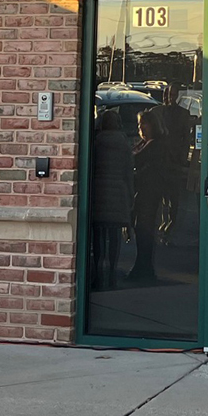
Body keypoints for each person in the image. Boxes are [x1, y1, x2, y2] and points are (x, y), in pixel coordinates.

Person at [90, 110, 134, 290]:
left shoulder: (96, 142)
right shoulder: (124, 143)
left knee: (98, 236)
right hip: (118, 190)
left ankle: (97, 272)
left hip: (99, 190)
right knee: (114, 235)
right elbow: (128, 170)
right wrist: (130, 194)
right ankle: (112, 273)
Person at [128, 108, 169, 282]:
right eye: (139, 124)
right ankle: (142, 266)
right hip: (141, 192)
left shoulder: (155, 145)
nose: (141, 128)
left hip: (150, 192)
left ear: (153, 125)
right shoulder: (142, 143)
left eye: (144, 124)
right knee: (140, 229)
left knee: (145, 229)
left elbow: (136, 160)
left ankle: (144, 268)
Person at [153, 83, 195, 241]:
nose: (169, 97)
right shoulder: (156, 112)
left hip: (175, 161)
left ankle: (170, 226)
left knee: (174, 198)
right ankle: (162, 226)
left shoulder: (183, 114)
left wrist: (183, 157)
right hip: (159, 161)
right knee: (161, 197)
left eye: (173, 94)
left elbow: (187, 138)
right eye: (167, 94)